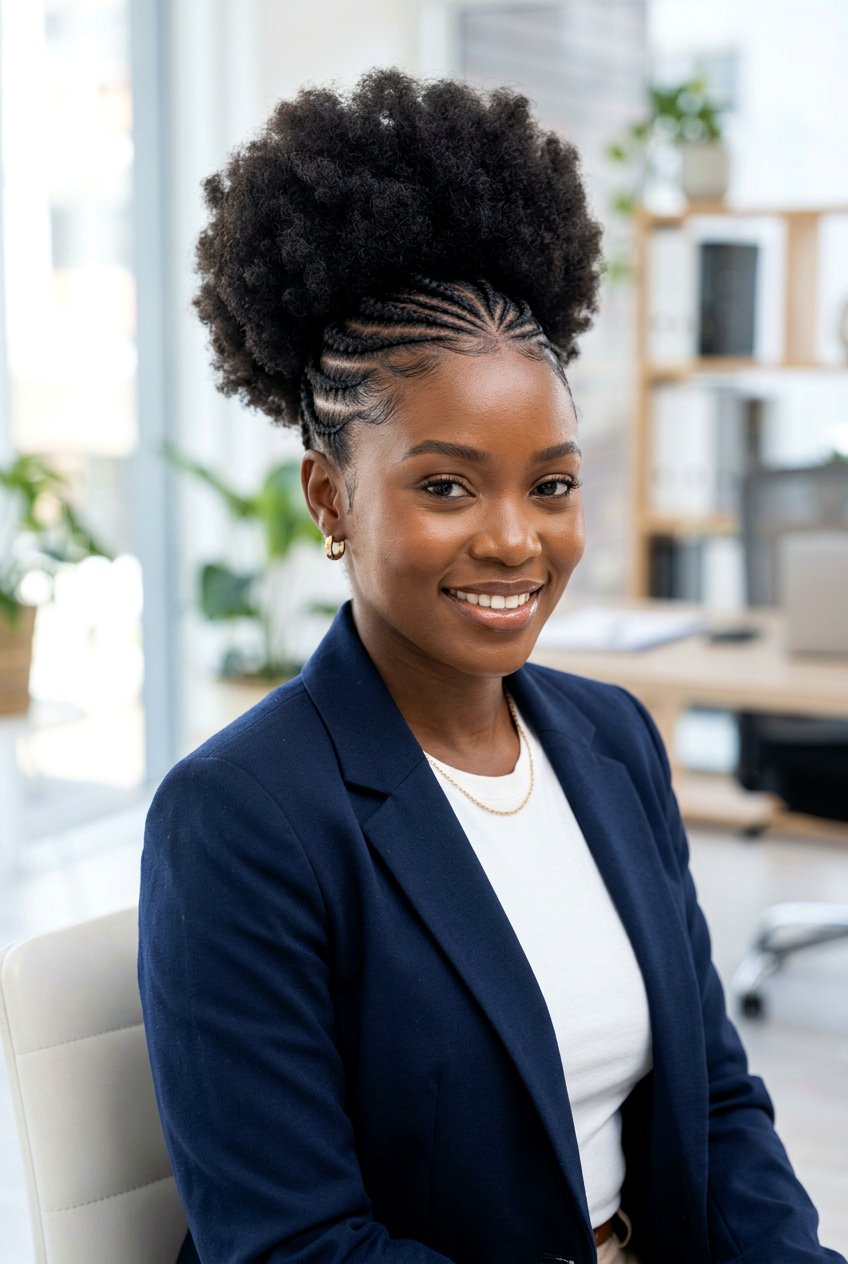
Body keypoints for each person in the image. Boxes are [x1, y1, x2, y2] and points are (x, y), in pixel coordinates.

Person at [138, 67, 845, 1264]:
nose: (516, 537)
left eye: (551, 484)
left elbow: (715, 1110)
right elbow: (296, 1246)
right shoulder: (242, 819)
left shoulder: (611, 741)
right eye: (445, 486)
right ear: (332, 498)